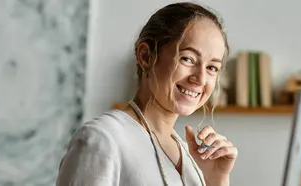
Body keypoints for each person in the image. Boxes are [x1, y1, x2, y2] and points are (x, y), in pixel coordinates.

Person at [55, 2, 237, 186]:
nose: (200, 78)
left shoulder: (189, 157)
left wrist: (216, 178)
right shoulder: (103, 138)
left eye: (212, 67)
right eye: (188, 59)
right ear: (146, 56)